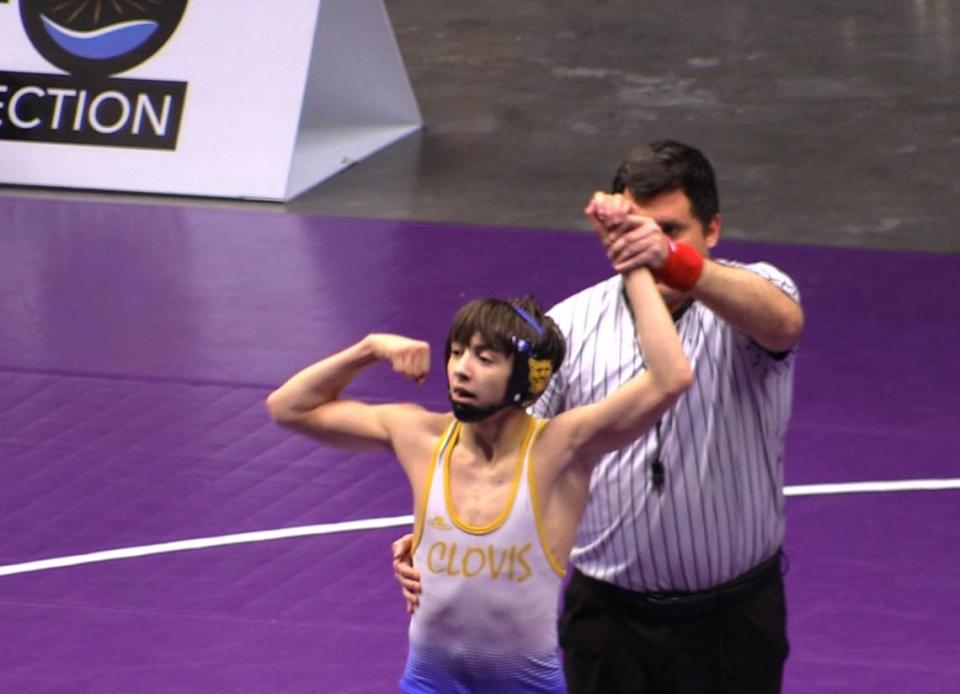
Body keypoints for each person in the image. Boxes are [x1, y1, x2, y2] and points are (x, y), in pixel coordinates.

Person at [393, 140, 804, 693]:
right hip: (610, 621)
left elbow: (783, 325)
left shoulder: (752, 295)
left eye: (669, 232)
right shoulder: (569, 327)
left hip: (732, 620)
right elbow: (507, 452)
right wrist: (438, 526)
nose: (651, 247)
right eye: (637, 231)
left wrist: (675, 264)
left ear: (712, 230)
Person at [266, 264, 691, 692]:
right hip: (429, 683)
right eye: (456, 352)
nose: (460, 369)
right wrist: (369, 349)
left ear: (528, 378)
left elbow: (670, 379)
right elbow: (289, 408)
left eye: (484, 359)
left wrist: (634, 267)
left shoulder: (561, 450)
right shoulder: (420, 436)